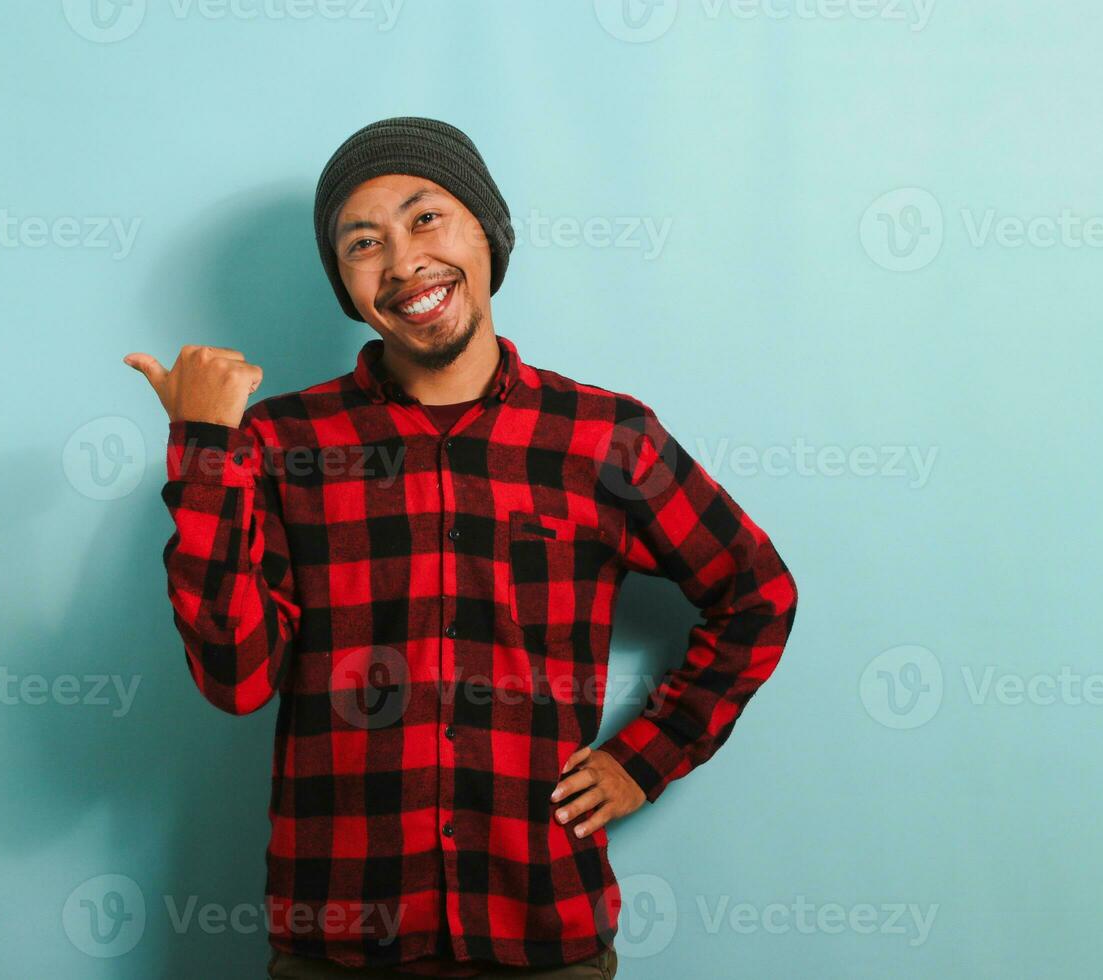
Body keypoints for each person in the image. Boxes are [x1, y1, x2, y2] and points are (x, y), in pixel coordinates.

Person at [124, 117, 800, 979]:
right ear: (344, 282)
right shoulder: (280, 442)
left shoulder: (603, 439)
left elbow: (758, 595)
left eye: (426, 219)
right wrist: (205, 447)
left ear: (487, 231)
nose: (403, 261)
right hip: (338, 940)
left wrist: (647, 759)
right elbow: (236, 678)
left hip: (541, 929)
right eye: (363, 242)